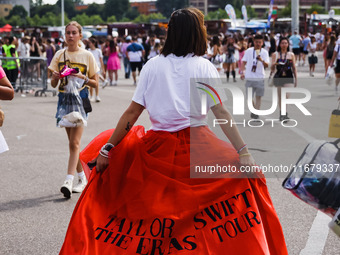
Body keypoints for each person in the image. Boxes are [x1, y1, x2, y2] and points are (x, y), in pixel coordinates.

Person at [59, 8, 287, 255]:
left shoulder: (152, 66)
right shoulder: (204, 67)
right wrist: (243, 152)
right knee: (211, 209)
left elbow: (132, 114)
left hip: (156, 148)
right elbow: (220, 114)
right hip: (199, 145)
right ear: (196, 33)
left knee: (156, 216)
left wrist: (108, 148)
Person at [48, 21, 99, 198]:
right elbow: (54, 84)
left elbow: (95, 82)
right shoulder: (59, 55)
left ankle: (68, 180)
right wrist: (55, 77)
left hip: (81, 99)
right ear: (64, 35)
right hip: (64, 100)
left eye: (74, 33)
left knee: (74, 143)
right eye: (68, 33)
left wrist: (81, 77)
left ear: (80, 36)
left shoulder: (87, 56)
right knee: (72, 144)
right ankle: (82, 177)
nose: (70, 36)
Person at [240, 34, 270, 120]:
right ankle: (253, 109)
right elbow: (243, 62)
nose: (258, 44)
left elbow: (267, 65)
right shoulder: (249, 51)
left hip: (260, 77)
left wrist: (261, 60)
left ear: (262, 43)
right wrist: (242, 72)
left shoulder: (264, 52)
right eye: (256, 42)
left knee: (258, 96)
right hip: (249, 76)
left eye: (260, 42)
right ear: (253, 42)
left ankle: (256, 112)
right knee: (249, 97)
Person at [270, 37, 297, 121]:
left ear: (288, 44)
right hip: (279, 76)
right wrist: (274, 64)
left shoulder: (291, 54)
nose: (284, 45)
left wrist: (296, 79)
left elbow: (294, 67)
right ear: (279, 44)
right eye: (282, 43)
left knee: (286, 95)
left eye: (286, 43)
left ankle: (284, 112)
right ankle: (282, 113)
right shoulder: (275, 54)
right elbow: (272, 68)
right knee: (280, 96)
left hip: (288, 76)